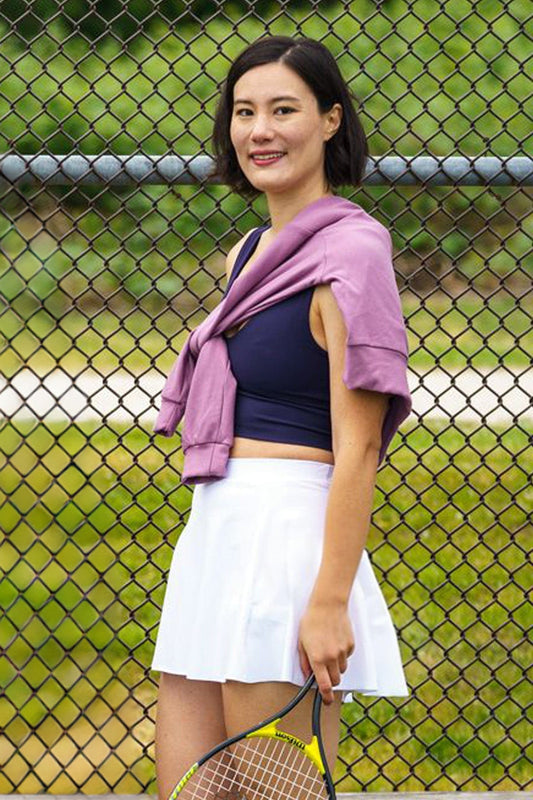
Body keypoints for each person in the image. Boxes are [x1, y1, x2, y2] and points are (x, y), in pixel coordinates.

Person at [151, 34, 411, 800]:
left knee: (275, 793)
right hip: (217, 533)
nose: (259, 130)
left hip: (284, 545)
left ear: (330, 121)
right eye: (244, 111)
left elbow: (358, 448)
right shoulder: (247, 252)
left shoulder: (352, 255)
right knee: (191, 793)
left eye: (283, 110)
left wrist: (327, 602)